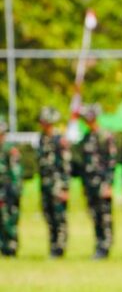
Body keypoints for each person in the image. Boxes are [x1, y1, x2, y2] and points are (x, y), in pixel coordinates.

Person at [78, 105, 117, 259]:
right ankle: (99, 244)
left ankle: (106, 246)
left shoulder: (105, 136)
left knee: (104, 216)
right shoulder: (86, 138)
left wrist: (108, 184)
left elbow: (111, 162)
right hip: (90, 184)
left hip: (102, 184)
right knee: (94, 215)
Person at [37, 108, 71, 258]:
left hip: (58, 186)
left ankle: (60, 248)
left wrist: (65, 188)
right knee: (49, 216)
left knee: (59, 218)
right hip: (46, 184)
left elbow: (66, 166)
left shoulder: (59, 139)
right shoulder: (42, 139)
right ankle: (53, 246)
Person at [0, 120, 22, 257]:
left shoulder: (10, 150)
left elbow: (16, 173)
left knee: (9, 220)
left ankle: (11, 248)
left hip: (8, 192)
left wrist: (15, 192)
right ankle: (3, 246)